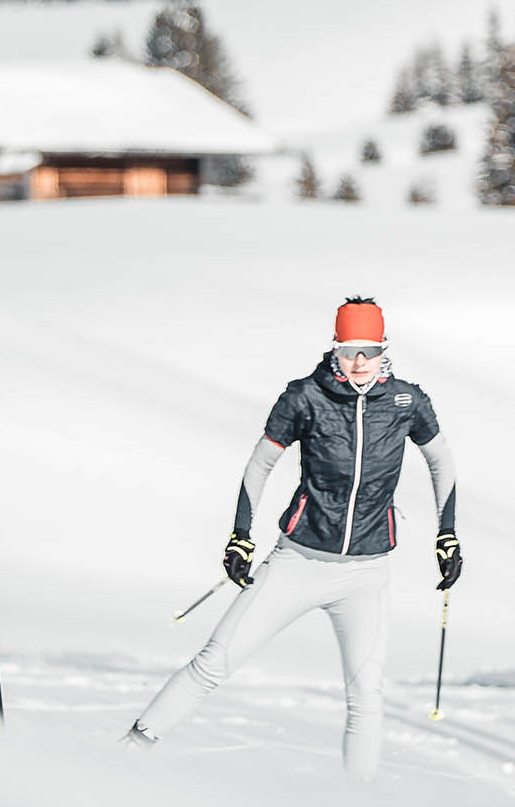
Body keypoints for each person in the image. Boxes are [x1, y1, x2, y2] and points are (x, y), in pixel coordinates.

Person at [122, 297, 463, 780]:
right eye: (349, 350)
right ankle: (128, 753)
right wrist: (241, 535)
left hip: (366, 572)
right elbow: (261, 463)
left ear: (384, 350)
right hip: (298, 561)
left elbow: (441, 461)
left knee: (366, 693)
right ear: (335, 350)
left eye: (368, 350)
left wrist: (446, 535)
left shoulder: (407, 402)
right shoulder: (305, 397)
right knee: (213, 662)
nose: (359, 362)